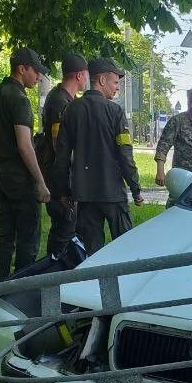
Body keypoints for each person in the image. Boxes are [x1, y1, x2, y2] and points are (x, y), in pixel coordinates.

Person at [54, 57, 143, 254]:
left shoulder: (70, 110)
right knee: (125, 248)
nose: (117, 88)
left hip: (85, 196)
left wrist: (63, 191)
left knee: (91, 253)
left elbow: (61, 156)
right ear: (101, 80)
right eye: (115, 83)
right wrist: (135, 188)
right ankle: (126, 282)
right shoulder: (115, 112)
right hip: (113, 194)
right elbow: (125, 154)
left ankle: (93, 284)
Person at [0, 47, 51, 282]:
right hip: (20, 179)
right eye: (36, 71)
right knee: (28, 238)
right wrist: (40, 182)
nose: (38, 77)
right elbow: (25, 145)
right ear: (22, 69)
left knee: (5, 234)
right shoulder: (20, 99)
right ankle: (22, 289)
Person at [39, 52, 87, 256]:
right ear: (78, 76)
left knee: (67, 229)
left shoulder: (63, 97)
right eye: (86, 75)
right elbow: (60, 146)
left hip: (59, 176)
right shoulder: (61, 102)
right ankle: (54, 277)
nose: (87, 79)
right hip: (59, 178)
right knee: (64, 230)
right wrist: (64, 189)